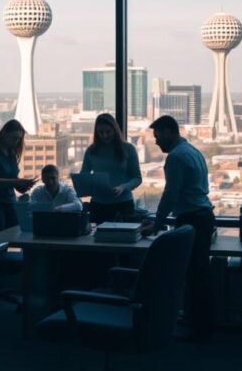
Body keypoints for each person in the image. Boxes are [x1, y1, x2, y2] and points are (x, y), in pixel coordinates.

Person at [141, 115, 216, 341]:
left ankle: (201, 329)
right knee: (198, 273)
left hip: (192, 218)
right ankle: (200, 323)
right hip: (203, 216)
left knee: (195, 274)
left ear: (168, 132)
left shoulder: (175, 157)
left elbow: (171, 194)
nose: (155, 142)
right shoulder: (193, 151)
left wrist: (157, 223)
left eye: (157, 136)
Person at [80, 113, 142, 222]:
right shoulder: (91, 151)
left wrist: (123, 187)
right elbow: (84, 176)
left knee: (124, 237)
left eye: (108, 132)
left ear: (115, 130)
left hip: (123, 205)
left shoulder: (128, 149)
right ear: (96, 133)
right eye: (101, 132)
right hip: (98, 205)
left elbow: (137, 178)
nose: (104, 135)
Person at [0, 119, 37, 234]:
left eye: (19, 139)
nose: (17, 141)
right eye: (14, 137)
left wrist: (23, 185)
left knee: (19, 233)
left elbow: (12, 180)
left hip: (10, 202)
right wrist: (16, 182)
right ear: (5, 133)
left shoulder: (11, 154)